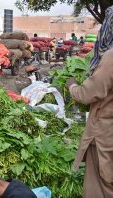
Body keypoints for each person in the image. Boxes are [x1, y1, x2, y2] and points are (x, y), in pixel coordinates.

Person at [65, 6, 113, 198]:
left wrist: (71, 86)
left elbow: (87, 94)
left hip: (106, 135)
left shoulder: (111, 58)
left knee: (101, 188)